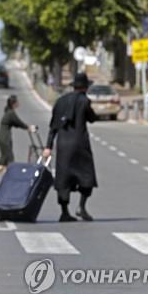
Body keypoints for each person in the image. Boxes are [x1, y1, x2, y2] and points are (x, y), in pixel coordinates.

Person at [42, 73, 98, 222]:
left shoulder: (60, 101)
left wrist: (48, 146)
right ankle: (81, 206)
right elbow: (92, 118)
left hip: (63, 146)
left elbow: (53, 126)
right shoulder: (84, 101)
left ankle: (64, 211)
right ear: (85, 87)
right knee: (87, 176)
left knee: (63, 179)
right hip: (80, 144)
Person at [0, 95, 36, 182]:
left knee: (5, 158)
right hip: (5, 137)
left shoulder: (8, 112)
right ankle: (8, 178)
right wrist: (28, 127)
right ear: (13, 103)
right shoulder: (11, 113)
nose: (18, 103)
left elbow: (15, 124)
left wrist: (27, 127)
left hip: (2, 137)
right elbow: (19, 122)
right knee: (10, 158)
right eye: (17, 102)